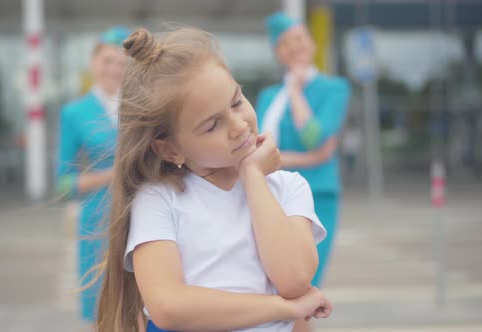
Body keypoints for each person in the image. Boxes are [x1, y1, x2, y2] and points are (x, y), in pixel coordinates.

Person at [95, 27, 333, 332]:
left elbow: (294, 277)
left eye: (236, 102)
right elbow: (168, 306)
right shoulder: (159, 198)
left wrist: (253, 176)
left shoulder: (288, 187)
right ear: (169, 148)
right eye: (211, 126)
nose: (238, 125)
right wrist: (282, 308)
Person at [257, 10, 351, 294]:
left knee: (303, 285)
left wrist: (296, 90)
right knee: (271, 286)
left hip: (316, 198)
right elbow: (256, 146)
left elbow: (315, 139)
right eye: (286, 43)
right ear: (278, 52)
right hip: (270, 197)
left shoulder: (333, 89)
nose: (294, 46)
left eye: (299, 38)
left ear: (312, 43)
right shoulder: (269, 96)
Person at [55, 26, 129, 327]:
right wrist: (113, 174)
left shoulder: (142, 107)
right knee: (102, 311)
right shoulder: (75, 112)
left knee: (142, 306)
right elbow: (63, 183)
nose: (114, 69)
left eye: (122, 63)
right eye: (107, 60)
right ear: (93, 63)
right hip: (97, 222)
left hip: (142, 212)